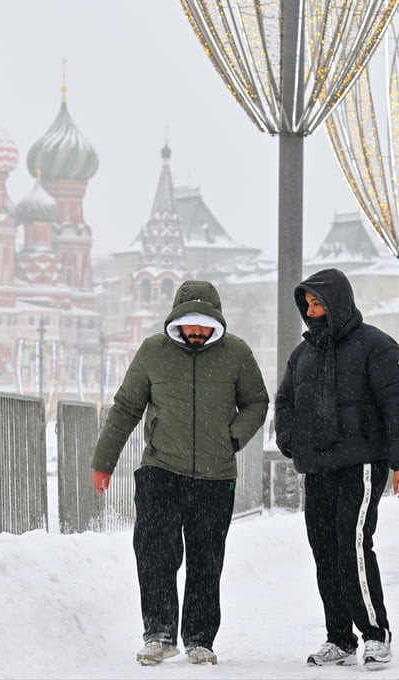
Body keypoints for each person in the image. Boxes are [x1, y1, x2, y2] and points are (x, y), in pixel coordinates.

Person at [91, 279, 269, 667]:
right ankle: (159, 633)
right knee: (155, 554)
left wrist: (232, 438)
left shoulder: (236, 353)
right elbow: (126, 408)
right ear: (177, 320)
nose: (197, 331)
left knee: (206, 560)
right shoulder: (153, 351)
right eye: (191, 324)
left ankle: (200, 638)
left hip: (215, 476)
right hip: (161, 470)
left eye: (205, 325)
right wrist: (104, 462)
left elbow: (257, 401)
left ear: (216, 322)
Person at [274, 268, 399, 670]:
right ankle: (339, 637)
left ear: (337, 303)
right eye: (307, 305)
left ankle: (375, 634)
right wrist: (289, 438)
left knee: (351, 544)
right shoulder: (303, 354)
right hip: (318, 467)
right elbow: (284, 401)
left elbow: (397, 406)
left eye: (317, 304)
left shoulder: (376, 345)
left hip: (361, 463)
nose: (311, 311)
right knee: (324, 550)